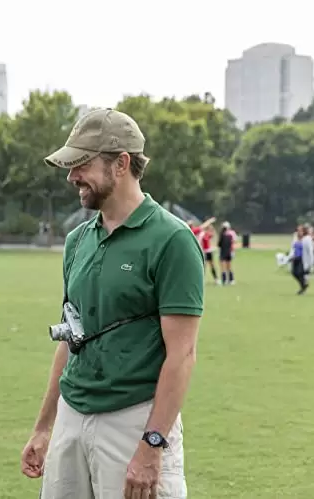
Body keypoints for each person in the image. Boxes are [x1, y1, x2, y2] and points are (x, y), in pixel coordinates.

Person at [22, 108, 204, 499]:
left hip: (133, 419)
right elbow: (71, 337)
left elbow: (182, 355)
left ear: (121, 163)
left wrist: (152, 444)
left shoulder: (172, 241)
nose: (72, 177)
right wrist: (43, 427)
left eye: (81, 165)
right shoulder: (77, 241)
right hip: (72, 416)